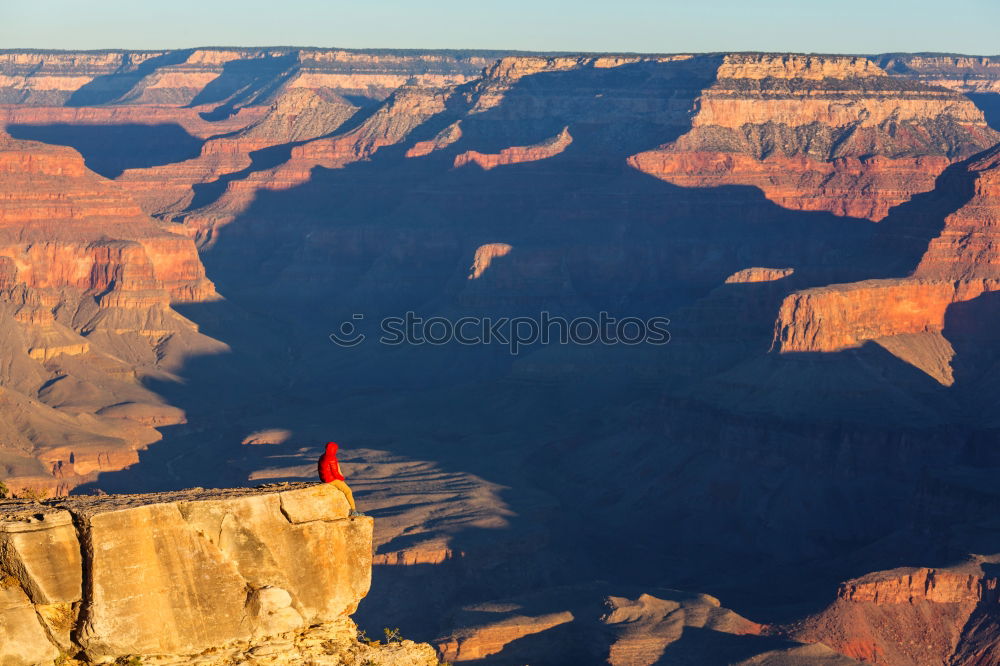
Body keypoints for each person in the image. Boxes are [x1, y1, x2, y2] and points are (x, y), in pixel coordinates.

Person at [318, 441, 362, 517]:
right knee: (348, 491)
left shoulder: (322, 456)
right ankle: (353, 511)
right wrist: (342, 478)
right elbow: (335, 473)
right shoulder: (332, 458)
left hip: (324, 478)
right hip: (331, 480)